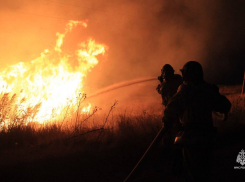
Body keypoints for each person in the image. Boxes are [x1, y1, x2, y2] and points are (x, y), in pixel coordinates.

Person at [162, 61, 231, 182]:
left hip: (191, 139)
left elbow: (170, 110)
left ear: (189, 75)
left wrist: (167, 121)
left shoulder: (185, 91)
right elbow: (225, 106)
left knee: (193, 173)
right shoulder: (208, 90)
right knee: (205, 170)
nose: (182, 77)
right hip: (208, 138)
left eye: (184, 74)